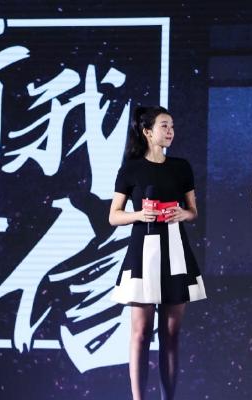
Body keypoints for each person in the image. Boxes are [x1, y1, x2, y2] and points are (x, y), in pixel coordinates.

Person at [109, 105, 206, 400]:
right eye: (164, 126)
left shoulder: (181, 167)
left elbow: (193, 211)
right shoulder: (130, 169)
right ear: (147, 132)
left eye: (172, 126)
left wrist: (182, 213)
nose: (170, 131)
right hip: (143, 252)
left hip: (175, 250)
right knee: (140, 333)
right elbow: (114, 215)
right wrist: (139, 215)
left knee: (171, 335)